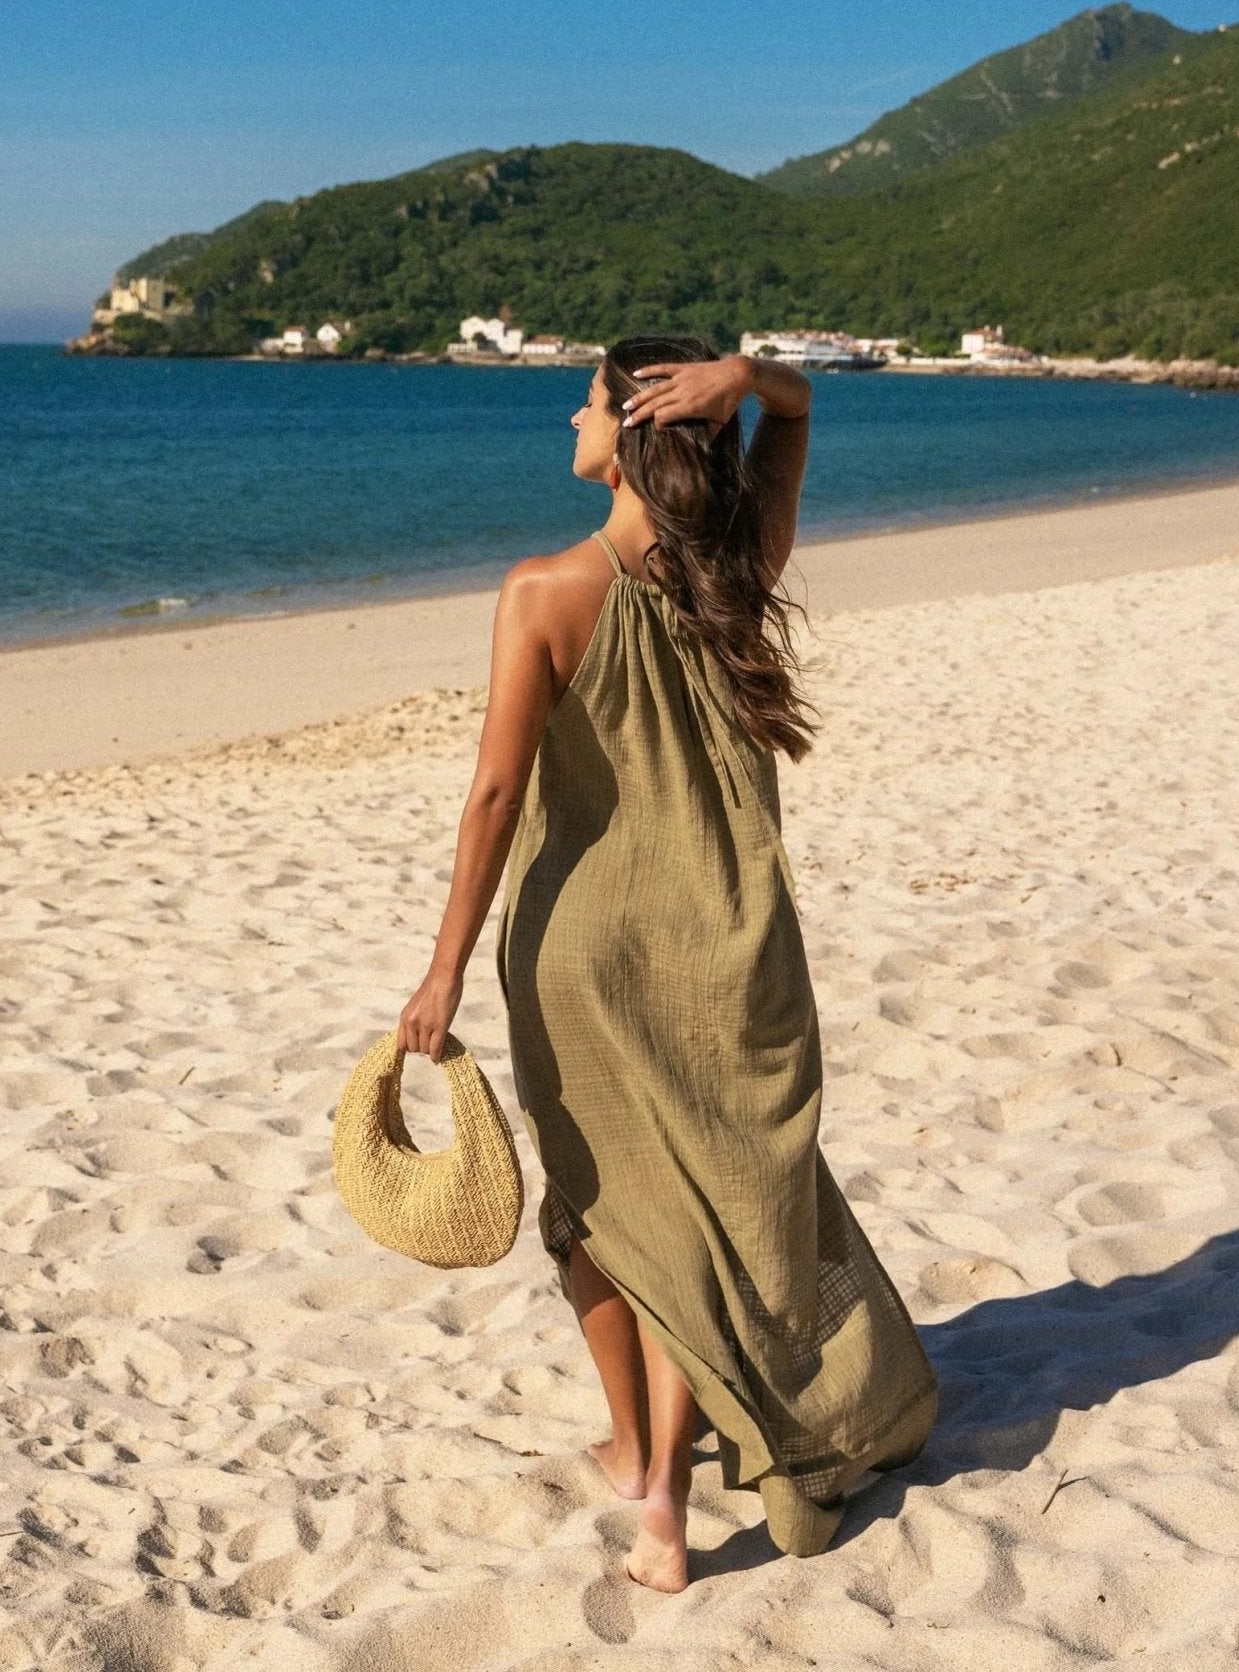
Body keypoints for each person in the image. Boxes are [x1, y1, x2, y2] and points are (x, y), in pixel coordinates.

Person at [397, 334, 938, 1591]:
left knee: (602, 1209)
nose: (568, 421)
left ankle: (646, 1458)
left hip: (583, 952)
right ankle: (658, 1493)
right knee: (698, 1214)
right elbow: (798, 420)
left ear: (634, 428)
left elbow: (494, 795)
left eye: (585, 404)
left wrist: (442, 969)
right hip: (731, 947)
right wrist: (748, 378)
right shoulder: (737, 572)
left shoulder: (543, 590)